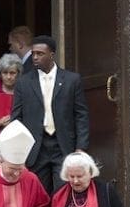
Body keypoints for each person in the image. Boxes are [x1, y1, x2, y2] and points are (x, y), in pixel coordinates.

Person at [11, 35, 89, 195]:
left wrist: (81, 147)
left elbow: (81, 115)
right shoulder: (23, 83)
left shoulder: (71, 80)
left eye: (40, 54)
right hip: (35, 149)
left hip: (63, 146)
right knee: (39, 196)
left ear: (51, 55)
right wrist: (18, 152)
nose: (35, 57)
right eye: (33, 53)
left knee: (63, 195)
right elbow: (16, 119)